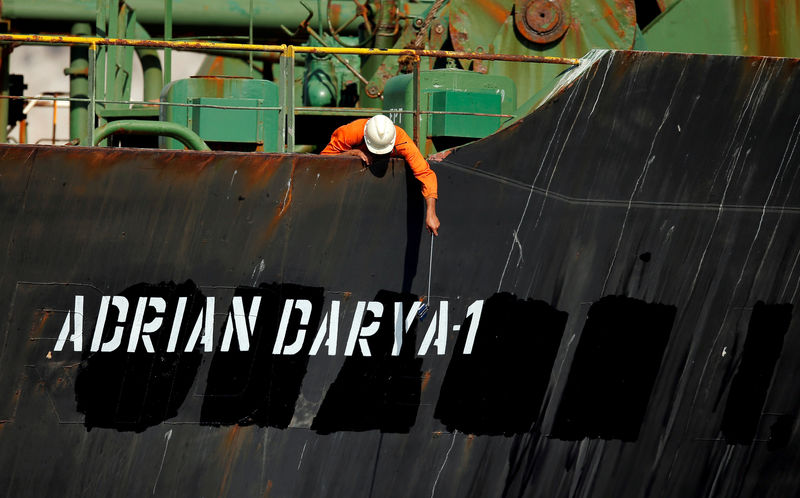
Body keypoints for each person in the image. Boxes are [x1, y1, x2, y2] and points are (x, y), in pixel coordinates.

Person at [321, 114, 440, 236]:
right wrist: (351, 153)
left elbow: (425, 173)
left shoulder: (401, 139)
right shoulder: (351, 132)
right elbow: (323, 159)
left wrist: (431, 212)